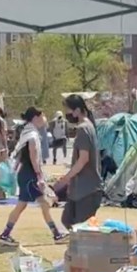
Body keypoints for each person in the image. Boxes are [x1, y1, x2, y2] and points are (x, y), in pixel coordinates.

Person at [0, 107, 69, 246]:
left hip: (26, 174)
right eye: (42, 115)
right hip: (30, 175)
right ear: (36, 117)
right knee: (36, 204)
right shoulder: (32, 135)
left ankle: (6, 234)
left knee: (34, 204)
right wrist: (39, 175)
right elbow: (33, 156)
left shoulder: (27, 132)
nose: (44, 118)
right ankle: (56, 234)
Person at [55, 94, 102, 228]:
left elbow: (83, 159)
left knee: (82, 228)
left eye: (67, 111)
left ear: (76, 111)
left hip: (87, 189)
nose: (66, 114)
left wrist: (65, 179)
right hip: (79, 189)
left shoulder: (83, 129)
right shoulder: (89, 127)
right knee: (67, 220)